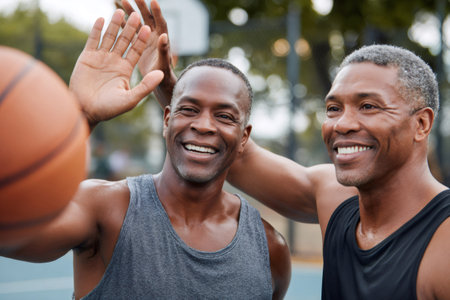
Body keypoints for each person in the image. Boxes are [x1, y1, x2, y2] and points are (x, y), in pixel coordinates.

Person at [135, 1, 450, 298]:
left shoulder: (443, 241)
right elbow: (235, 154)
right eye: (333, 108)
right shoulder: (335, 198)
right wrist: (166, 87)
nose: (342, 123)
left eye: (368, 106)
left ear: (421, 124)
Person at [0, 8, 291, 300]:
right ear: (167, 120)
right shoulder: (105, 209)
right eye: (188, 109)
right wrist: (80, 116)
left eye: (225, 116)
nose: (203, 125)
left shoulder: (270, 248)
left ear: (244, 137)